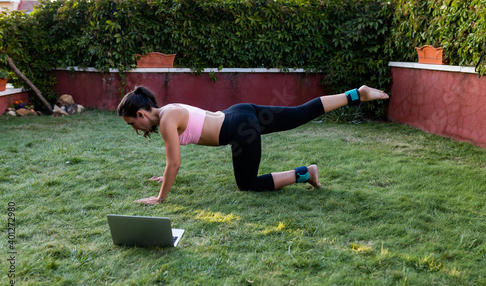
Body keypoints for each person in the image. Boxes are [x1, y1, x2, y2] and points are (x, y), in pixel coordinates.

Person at [117, 85, 389, 205]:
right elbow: (171, 165)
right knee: (298, 113)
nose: (135, 128)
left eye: (131, 123)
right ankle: (355, 94)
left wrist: (160, 197)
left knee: (247, 184)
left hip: (238, 130)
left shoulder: (165, 121)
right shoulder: (168, 110)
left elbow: (174, 163)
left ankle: (305, 172)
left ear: (141, 114)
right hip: (239, 112)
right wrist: (164, 178)